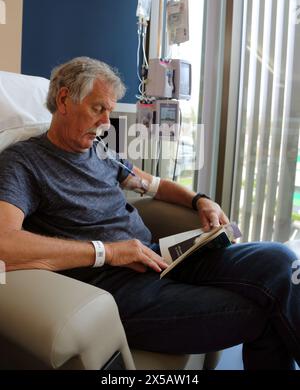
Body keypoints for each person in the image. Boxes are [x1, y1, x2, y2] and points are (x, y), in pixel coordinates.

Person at [0, 56, 299, 370]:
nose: (106, 123)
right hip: (114, 286)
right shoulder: (23, 163)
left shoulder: (101, 152)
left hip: (158, 257)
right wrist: (108, 252)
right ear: (63, 100)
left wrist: (200, 200)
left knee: (280, 260)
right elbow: (5, 243)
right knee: (261, 312)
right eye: (98, 108)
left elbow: (155, 185)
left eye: (110, 111)